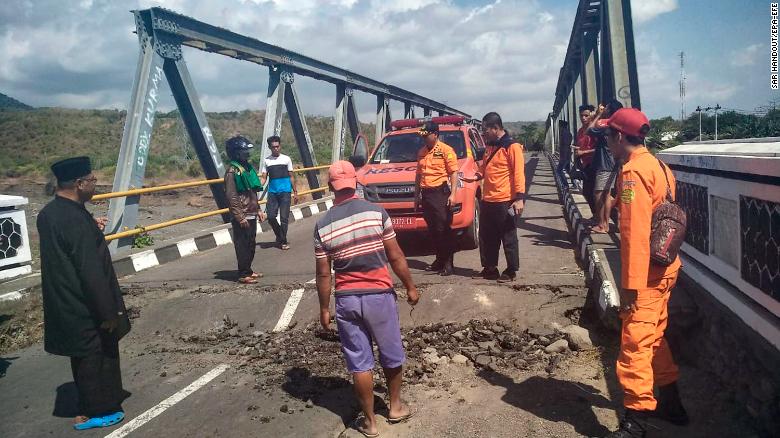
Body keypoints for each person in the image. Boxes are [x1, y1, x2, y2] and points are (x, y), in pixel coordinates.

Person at [314, 160, 420, 437]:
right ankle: (395, 407)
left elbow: (324, 275)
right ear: (355, 182)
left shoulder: (322, 225)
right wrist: (410, 286)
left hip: (346, 300)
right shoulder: (376, 213)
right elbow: (395, 255)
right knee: (391, 352)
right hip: (378, 297)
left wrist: (324, 308)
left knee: (360, 363)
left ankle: (370, 422)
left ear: (330, 188)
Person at [602, 108, 688, 437]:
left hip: (647, 277)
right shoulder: (660, 166)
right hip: (667, 269)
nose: (607, 143)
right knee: (653, 338)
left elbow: (635, 233)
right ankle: (672, 405)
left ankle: (636, 423)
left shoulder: (632, 174)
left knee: (635, 345)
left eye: (608, 136)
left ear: (620, 137)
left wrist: (630, 287)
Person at [37, 156, 131, 431]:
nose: (94, 185)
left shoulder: (51, 213)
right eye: (92, 181)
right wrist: (108, 312)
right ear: (78, 184)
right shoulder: (75, 220)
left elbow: (68, 249)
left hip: (64, 301)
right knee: (97, 356)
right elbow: (90, 272)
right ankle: (98, 410)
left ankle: (88, 406)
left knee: (81, 356)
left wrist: (92, 227)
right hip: (86, 304)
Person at [468, 112, 525, 282]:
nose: (483, 133)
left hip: (505, 200)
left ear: (496, 128)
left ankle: (511, 270)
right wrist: (475, 176)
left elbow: (518, 174)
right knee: (487, 237)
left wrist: (519, 198)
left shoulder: (512, 146)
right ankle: (490, 268)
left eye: (485, 129)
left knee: (508, 237)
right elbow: (484, 170)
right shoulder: (489, 147)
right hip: (488, 200)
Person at [414, 121, 459, 276]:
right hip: (426, 195)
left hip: (440, 193)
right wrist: (416, 196)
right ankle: (439, 260)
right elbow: (418, 175)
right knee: (433, 230)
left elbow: (453, 173)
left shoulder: (446, 150)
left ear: (436, 134)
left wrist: (453, 194)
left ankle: (448, 264)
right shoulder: (421, 152)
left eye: (427, 135)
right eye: (423, 136)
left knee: (443, 230)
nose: (425, 139)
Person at [224, 135, 266, 284]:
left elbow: (252, 193)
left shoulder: (247, 168)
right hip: (243, 213)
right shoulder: (232, 171)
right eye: (243, 151)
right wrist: (239, 216)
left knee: (251, 243)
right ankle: (243, 274)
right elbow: (232, 196)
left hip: (252, 211)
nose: (247, 154)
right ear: (235, 153)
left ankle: (248, 269)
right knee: (242, 244)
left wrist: (259, 209)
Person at [588, 100, 623, 233]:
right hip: (613, 162)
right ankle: (605, 224)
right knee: (607, 194)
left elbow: (590, 130)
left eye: (606, 108)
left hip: (604, 163)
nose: (604, 109)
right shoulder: (616, 124)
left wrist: (598, 114)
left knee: (598, 194)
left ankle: (603, 224)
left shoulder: (607, 125)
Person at [260, 135, 298, 250]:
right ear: (270, 148)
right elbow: (263, 178)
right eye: (273, 147)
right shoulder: (267, 161)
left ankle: (283, 241)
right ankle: (280, 236)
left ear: (280, 146)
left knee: (284, 218)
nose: (276, 149)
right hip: (272, 192)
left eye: (277, 146)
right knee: (271, 217)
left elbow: (291, 176)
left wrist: (295, 192)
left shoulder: (286, 159)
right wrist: (255, 187)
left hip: (285, 192)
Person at [574, 104, 596, 208]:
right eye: (581, 115)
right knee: (587, 193)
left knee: (595, 193)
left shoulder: (596, 129)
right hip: (585, 165)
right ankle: (595, 215)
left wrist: (584, 152)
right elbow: (580, 146)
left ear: (592, 115)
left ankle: (600, 218)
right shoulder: (580, 131)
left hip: (596, 164)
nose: (583, 118)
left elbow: (603, 149)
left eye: (586, 115)